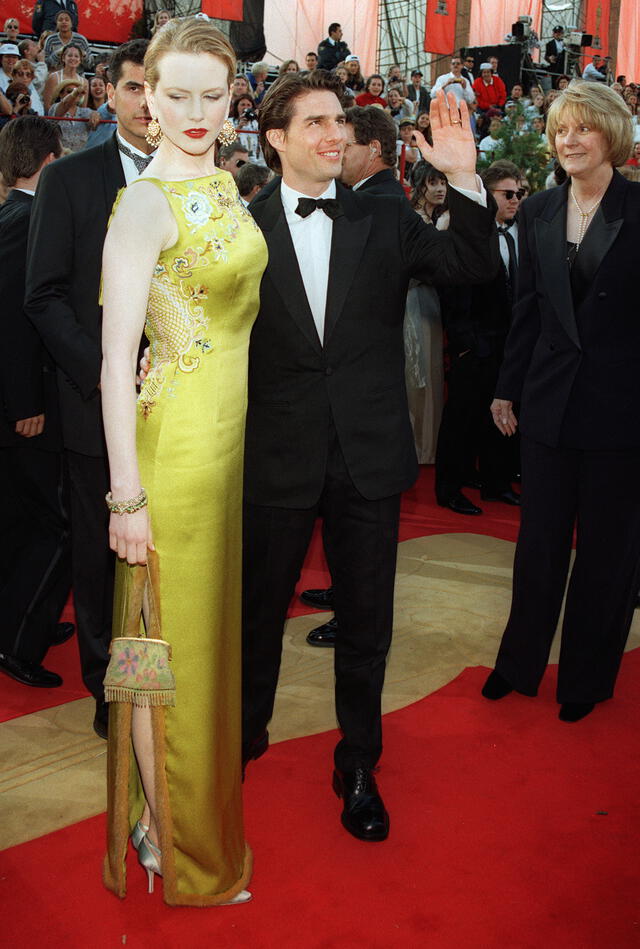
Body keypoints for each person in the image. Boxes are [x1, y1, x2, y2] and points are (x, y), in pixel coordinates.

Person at [240, 73, 499, 841]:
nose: (333, 133)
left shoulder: (384, 218)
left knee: (366, 624)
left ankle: (358, 762)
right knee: (256, 619)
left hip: (368, 458)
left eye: (340, 121)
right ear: (276, 138)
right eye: (314, 121)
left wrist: (462, 177)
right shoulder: (240, 229)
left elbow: (472, 267)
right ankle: (241, 740)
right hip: (274, 457)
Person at [101, 16, 262, 906]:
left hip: (225, 454)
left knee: (195, 653)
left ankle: (167, 821)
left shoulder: (227, 185)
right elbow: (112, 358)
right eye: (177, 95)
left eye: (212, 94)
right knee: (166, 654)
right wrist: (127, 496)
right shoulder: (145, 202)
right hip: (174, 461)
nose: (196, 112)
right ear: (146, 99)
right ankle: (175, 843)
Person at [482, 81, 640, 723]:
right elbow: (528, 312)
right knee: (538, 544)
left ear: (612, 137)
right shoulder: (540, 208)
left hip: (621, 409)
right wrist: (506, 386)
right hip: (547, 403)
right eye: (559, 131)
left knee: (607, 552)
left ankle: (584, 678)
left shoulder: (638, 206)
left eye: (582, 129)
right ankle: (519, 663)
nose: (568, 141)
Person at [24, 39, 154, 741]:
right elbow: (42, 296)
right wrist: (104, 371)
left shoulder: (202, 182)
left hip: (181, 407)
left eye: (154, 89)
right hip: (92, 403)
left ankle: (161, 671)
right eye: (133, 88)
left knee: (165, 547)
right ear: (109, 92)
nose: (144, 104)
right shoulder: (70, 181)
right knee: (101, 552)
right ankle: (109, 683)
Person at [0, 116, 71, 690]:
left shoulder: (11, 215)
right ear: (49, 160)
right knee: (56, 524)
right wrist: (26, 401)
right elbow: (16, 321)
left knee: (23, 518)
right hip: (26, 403)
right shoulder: (27, 221)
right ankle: (20, 638)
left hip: (21, 398)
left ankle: (26, 622)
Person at [435, 163, 522, 515]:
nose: (516, 200)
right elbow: (451, 292)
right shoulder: (460, 229)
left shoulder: (517, 233)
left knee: (499, 417)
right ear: (488, 194)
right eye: (508, 194)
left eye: (519, 193)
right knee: (461, 419)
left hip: (507, 344)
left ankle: (495, 483)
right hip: (473, 345)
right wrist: (465, 344)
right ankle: (449, 489)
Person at [43, 42, 88, 111]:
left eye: (76, 56)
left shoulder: (85, 82)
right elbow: (47, 106)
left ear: (80, 60)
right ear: (63, 58)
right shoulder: (54, 78)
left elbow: (83, 109)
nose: (73, 58)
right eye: (70, 55)